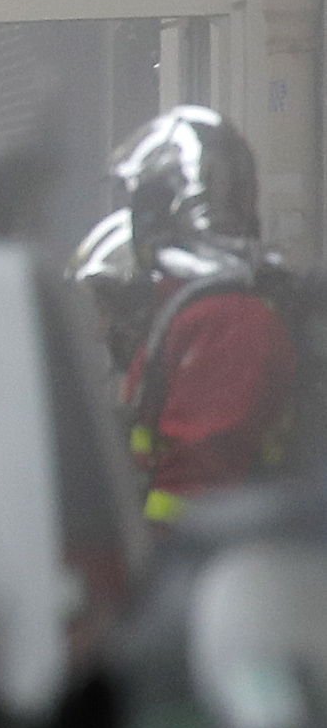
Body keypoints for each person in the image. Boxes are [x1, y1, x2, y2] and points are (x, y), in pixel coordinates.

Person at [107, 104, 302, 527]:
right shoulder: (188, 308)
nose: (138, 223)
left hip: (213, 567)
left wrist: (153, 563)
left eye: (146, 205)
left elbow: (200, 480)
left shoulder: (226, 320)